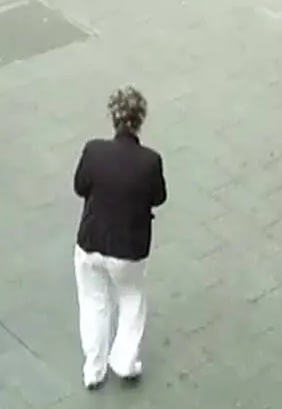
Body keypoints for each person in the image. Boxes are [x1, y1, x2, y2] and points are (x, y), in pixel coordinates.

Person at [71, 86, 167, 389]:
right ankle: (125, 361)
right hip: (128, 249)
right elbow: (159, 197)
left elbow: (79, 186)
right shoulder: (150, 161)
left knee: (93, 302)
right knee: (131, 298)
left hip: (91, 242)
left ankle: (94, 369)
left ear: (113, 118)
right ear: (140, 121)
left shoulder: (93, 151)